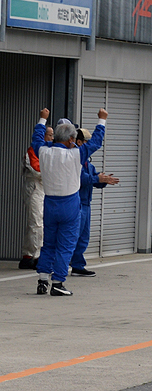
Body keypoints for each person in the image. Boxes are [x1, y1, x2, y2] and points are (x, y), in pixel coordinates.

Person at [32, 108, 108, 296]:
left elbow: (36, 139)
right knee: (66, 245)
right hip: (70, 203)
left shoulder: (43, 151)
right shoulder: (75, 155)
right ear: (71, 140)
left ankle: (42, 279)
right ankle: (58, 282)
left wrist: (42, 119)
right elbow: (96, 142)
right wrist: (102, 120)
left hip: (49, 202)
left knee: (48, 243)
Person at [70, 128, 119, 277]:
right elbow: (82, 179)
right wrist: (98, 179)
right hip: (76, 203)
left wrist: (102, 180)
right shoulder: (75, 159)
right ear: (79, 142)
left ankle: (77, 265)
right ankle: (59, 265)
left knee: (83, 237)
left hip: (86, 203)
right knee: (72, 236)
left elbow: (93, 177)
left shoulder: (87, 163)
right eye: (86, 141)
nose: (88, 145)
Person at [19, 126, 54, 270]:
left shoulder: (48, 150)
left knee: (39, 221)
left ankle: (29, 254)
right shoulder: (33, 150)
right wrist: (51, 172)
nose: (52, 138)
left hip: (43, 187)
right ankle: (36, 255)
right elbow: (36, 169)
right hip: (34, 187)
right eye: (50, 135)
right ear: (44, 135)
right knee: (36, 221)